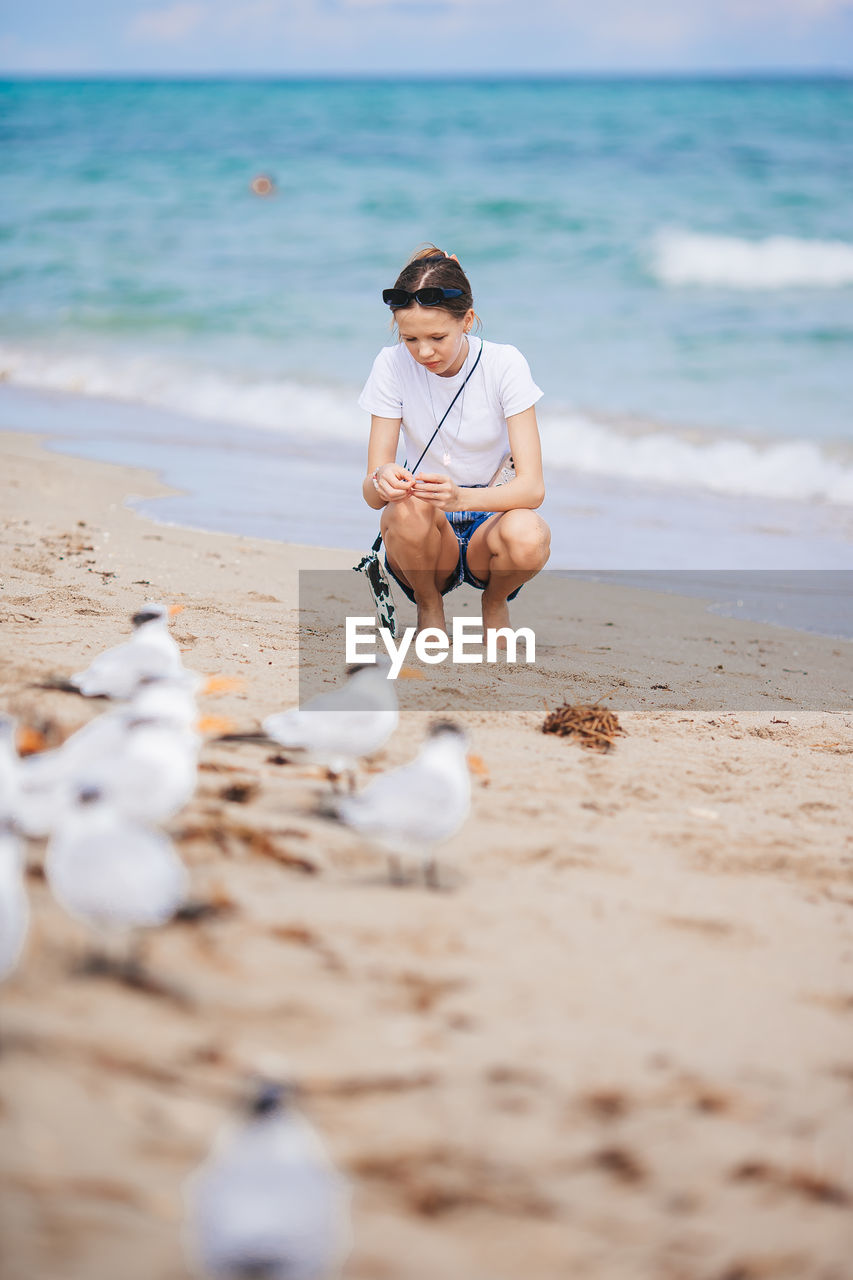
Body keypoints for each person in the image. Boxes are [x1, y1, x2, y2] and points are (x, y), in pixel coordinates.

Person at [359, 246, 550, 638]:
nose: (423, 351)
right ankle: (430, 604)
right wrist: (383, 478)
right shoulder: (390, 364)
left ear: (468, 320)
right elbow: (372, 493)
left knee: (530, 535)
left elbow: (532, 489)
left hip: (492, 521)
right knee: (402, 509)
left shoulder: (505, 364)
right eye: (410, 338)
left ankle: (494, 602)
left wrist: (460, 498)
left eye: (437, 337)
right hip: (427, 533)